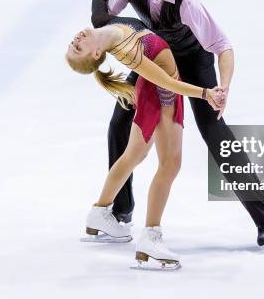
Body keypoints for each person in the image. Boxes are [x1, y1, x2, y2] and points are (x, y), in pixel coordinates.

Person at [91, 0, 264, 247]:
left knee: (215, 134)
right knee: (119, 124)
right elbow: (103, 13)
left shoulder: (186, 1)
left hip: (193, 62)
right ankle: (120, 211)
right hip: (154, 60)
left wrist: (224, 86)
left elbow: (222, 46)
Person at [66, 17, 225, 268]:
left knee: (134, 155)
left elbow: (105, 0)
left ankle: (99, 212)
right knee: (170, 163)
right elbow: (168, 82)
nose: (75, 40)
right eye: (78, 48)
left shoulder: (108, 28)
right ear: (97, 53)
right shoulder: (128, 52)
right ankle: (151, 237)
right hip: (161, 92)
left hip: (152, 89)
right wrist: (206, 94)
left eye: (72, 44)